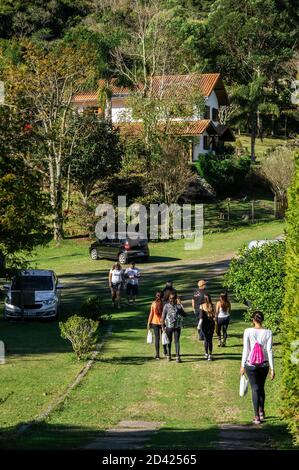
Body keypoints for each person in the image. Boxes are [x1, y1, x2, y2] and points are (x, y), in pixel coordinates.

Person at [240, 311, 275, 425]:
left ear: (253, 320)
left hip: (251, 364)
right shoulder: (268, 332)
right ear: (262, 319)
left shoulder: (248, 331)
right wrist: (272, 368)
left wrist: (242, 365)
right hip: (264, 364)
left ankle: (256, 416)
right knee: (261, 387)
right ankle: (261, 411)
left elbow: (246, 349)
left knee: (255, 389)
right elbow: (269, 350)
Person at [162, 293, 186, 363]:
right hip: (177, 326)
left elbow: (163, 317)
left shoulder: (166, 306)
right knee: (177, 341)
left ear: (169, 299)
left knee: (169, 341)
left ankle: (169, 356)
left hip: (169, 326)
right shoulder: (178, 306)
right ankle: (177, 357)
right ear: (176, 299)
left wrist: (163, 326)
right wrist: (181, 305)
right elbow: (184, 315)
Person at [147, 291, 167, 359]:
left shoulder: (153, 304)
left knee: (157, 339)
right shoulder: (164, 304)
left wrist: (148, 322)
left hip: (154, 322)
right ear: (162, 296)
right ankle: (165, 351)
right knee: (164, 336)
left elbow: (151, 314)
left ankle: (157, 355)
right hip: (163, 323)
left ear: (156, 296)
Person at [198, 294, 215, 361]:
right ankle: (210, 355)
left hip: (204, 324)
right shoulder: (212, 306)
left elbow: (201, 317)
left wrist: (198, 326)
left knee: (205, 339)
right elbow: (214, 316)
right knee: (210, 339)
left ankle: (206, 354)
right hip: (211, 324)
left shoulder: (201, 306)